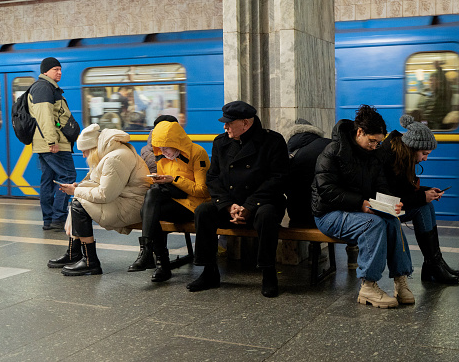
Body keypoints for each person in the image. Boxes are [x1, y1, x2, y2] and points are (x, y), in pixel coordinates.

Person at [312, 105, 414, 309]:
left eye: (379, 142)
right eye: (372, 141)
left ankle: (400, 280)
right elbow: (326, 189)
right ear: (360, 132)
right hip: (328, 213)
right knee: (374, 223)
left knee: (391, 221)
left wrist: (391, 203)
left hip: (357, 210)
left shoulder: (374, 155)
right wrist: (360, 203)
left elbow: (381, 185)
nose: (375, 146)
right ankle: (368, 286)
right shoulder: (334, 151)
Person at [186, 101, 289, 298]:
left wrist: (250, 205)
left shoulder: (273, 142)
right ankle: (209, 272)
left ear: (245, 123)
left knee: (267, 216)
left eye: (229, 123)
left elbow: (279, 179)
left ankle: (268, 273)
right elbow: (213, 178)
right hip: (231, 205)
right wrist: (227, 206)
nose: (225, 127)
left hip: (262, 203)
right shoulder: (221, 143)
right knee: (203, 212)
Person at [46, 124, 150, 276]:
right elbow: (100, 183)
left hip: (133, 204)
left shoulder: (116, 158)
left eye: (84, 151)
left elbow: (105, 194)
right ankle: (74, 253)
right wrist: (79, 187)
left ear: (93, 148)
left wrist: (76, 190)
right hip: (124, 199)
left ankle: (90, 262)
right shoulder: (109, 154)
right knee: (78, 200)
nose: (83, 156)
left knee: (78, 204)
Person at [378, 114, 459, 284]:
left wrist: (427, 191)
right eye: (424, 153)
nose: (425, 158)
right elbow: (392, 198)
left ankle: (435, 262)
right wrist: (423, 196)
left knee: (427, 205)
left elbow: (405, 189)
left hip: (392, 205)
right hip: (381, 209)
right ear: (413, 147)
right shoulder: (391, 159)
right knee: (423, 206)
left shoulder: (403, 156)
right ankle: (433, 265)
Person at [129, 120, 210, 282]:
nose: (163, 151)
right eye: (159, 147)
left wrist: (174, 179)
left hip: (194, 206)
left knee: (150, 209)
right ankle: (157, 261)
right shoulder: (162, 157)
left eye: (166, 147)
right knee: (152, 208)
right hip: (174, 200)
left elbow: (203, 191)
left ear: (177, 143)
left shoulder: (197, 153)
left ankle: (156, 260)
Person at [285, 118, 359, 269]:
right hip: (329, 214)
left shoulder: (290, 152)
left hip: (299, 215)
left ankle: (315, 254)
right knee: (349, 203)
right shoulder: (328, 146)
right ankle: (352, 256)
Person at [28, 57, 77, 231]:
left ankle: (49, 220)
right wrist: (52, 141)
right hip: (52, 143)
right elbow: (44, 117)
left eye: (60, 69)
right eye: (56, 69)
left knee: (48, 180)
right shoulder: (43, 88)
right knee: (68, 176)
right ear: (45, 71)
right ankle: (58, 216)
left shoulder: (49, 88)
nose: (59, 72)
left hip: (48, 143)